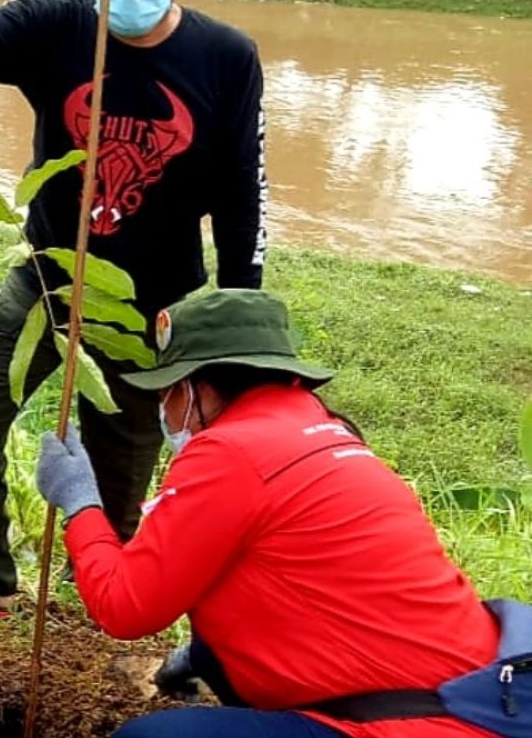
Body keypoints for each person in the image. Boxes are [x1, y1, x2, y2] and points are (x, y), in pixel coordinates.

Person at [0, 0, 269, 617]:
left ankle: (101, 596)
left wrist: (238, 326)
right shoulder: (58, 26)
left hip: (149, 310)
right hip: (46, 278)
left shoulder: (227, 58)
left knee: (118, 475)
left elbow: (242, 196)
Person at [35, 288, 502, 738]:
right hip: (475, 694)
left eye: (167, 391)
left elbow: (124, 607)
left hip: (407, 723)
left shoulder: (229, 451)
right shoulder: (326, 430)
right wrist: (207, 655)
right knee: (213, 651)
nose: (164, 406)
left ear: (199, 388)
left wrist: (80, 501)